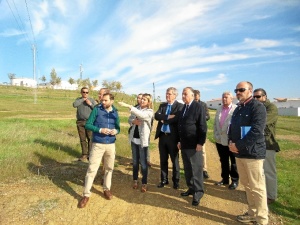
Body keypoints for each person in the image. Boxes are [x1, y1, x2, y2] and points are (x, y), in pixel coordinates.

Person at [228, 81, 268, 225]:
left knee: (257, 187)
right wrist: (231, 143)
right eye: (236, 90)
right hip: (239, 153)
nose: (238, 92)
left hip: (253, 154)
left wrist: (238, 145)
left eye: (241, 89)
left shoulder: (258, 107)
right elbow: (232, 128)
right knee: (247, 185)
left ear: (250, 91)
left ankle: (262, 219)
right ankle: (252, 212)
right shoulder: (238, 108)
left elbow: (256, 131)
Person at [78, 93, 120, 208]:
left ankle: (106, 189)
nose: (103, 102)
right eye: (102, 100)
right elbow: (88, 125)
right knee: (92, 169)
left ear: (112, 101)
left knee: (109, 168)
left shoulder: (115, 112)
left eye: (106, 100)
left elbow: (118, 127)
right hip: (97, 144)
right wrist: (100, 129)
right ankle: (86, 195)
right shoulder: (97, 110)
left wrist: (116, 131)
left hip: (111, 145)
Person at [178, 87, 207, 206]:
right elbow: (181, 125)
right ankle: (191, 188)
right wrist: (179, 141)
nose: (183, 96)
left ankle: (198, 192)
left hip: (194, 144)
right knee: (188, 168)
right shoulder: (183, 107)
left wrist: (200, 143)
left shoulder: (198, 107)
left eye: (185, 94)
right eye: (182, 94)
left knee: (196, 169)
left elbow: (202, 126)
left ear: (192, 95)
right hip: (184, 144)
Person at [119, 94, 153, 193]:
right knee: (135, 162)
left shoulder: (149, 111)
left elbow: (142, 116)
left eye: (145, 99)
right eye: (142, 99)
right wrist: (133, 121)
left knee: (143, 163)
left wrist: (129, 106)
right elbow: (130, 119)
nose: (142, 101)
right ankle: (135, 180)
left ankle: (144, 182)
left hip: (143, 141)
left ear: (148, 102)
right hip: (134, 139)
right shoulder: (137, 108)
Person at [253, 88, 280, 204]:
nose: (256, 99)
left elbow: (261, 122)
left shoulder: (271, 108)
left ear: (265, 97)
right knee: (259, 171)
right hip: (257, 143)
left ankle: (271, 195)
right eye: (254, 97)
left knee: (269, 171)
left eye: (258, 97)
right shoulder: (256, 108)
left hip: (268, 144)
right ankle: (262, 193)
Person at [154, 87, 184, 189]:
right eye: (167, 93)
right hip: (162, 136)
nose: (167, 95)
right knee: (163, 159)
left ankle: (176, 181)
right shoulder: (162, 105)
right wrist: (167, 117)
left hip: (173, 137)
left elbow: (176, 118)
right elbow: (156, 116)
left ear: (175, 95)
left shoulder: (180, 106)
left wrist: (164, 119)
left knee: (174, 161)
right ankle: (164, 180)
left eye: (170, 94)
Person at [213, 91, 239, 189]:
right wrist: (216, 134)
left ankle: (235, 180)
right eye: (223, 97)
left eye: (226, 97)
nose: (224, 99)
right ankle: (225, 179)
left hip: (231, 141)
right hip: (220, 140)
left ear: (231, 99)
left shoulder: (236, 109)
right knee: (223, 160)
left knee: (233, 162)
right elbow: (215, 124)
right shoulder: (219, 109)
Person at [73, 87, 96, 161]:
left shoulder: (92, 100)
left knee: (90, 139)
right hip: (80, 122)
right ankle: (84, 154)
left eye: (87, 92)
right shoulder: (78, 100)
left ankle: (90, 155)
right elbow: (74, 105)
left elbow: (96, 109)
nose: (85, 94)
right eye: (84, 92)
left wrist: (90, 104)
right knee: (82, 139)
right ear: (81, 92)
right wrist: (83, 99)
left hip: (89, 122)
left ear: (88, 93)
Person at [194, 89, 210, 179]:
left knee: (202, 151)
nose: (196, 100)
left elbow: (208, 116)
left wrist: (201, 118)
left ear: (199, 96)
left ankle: (204, 169)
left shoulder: (203, 105)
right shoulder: (189, 105)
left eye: (197, 98)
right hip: (192, 131)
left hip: (200, 130)